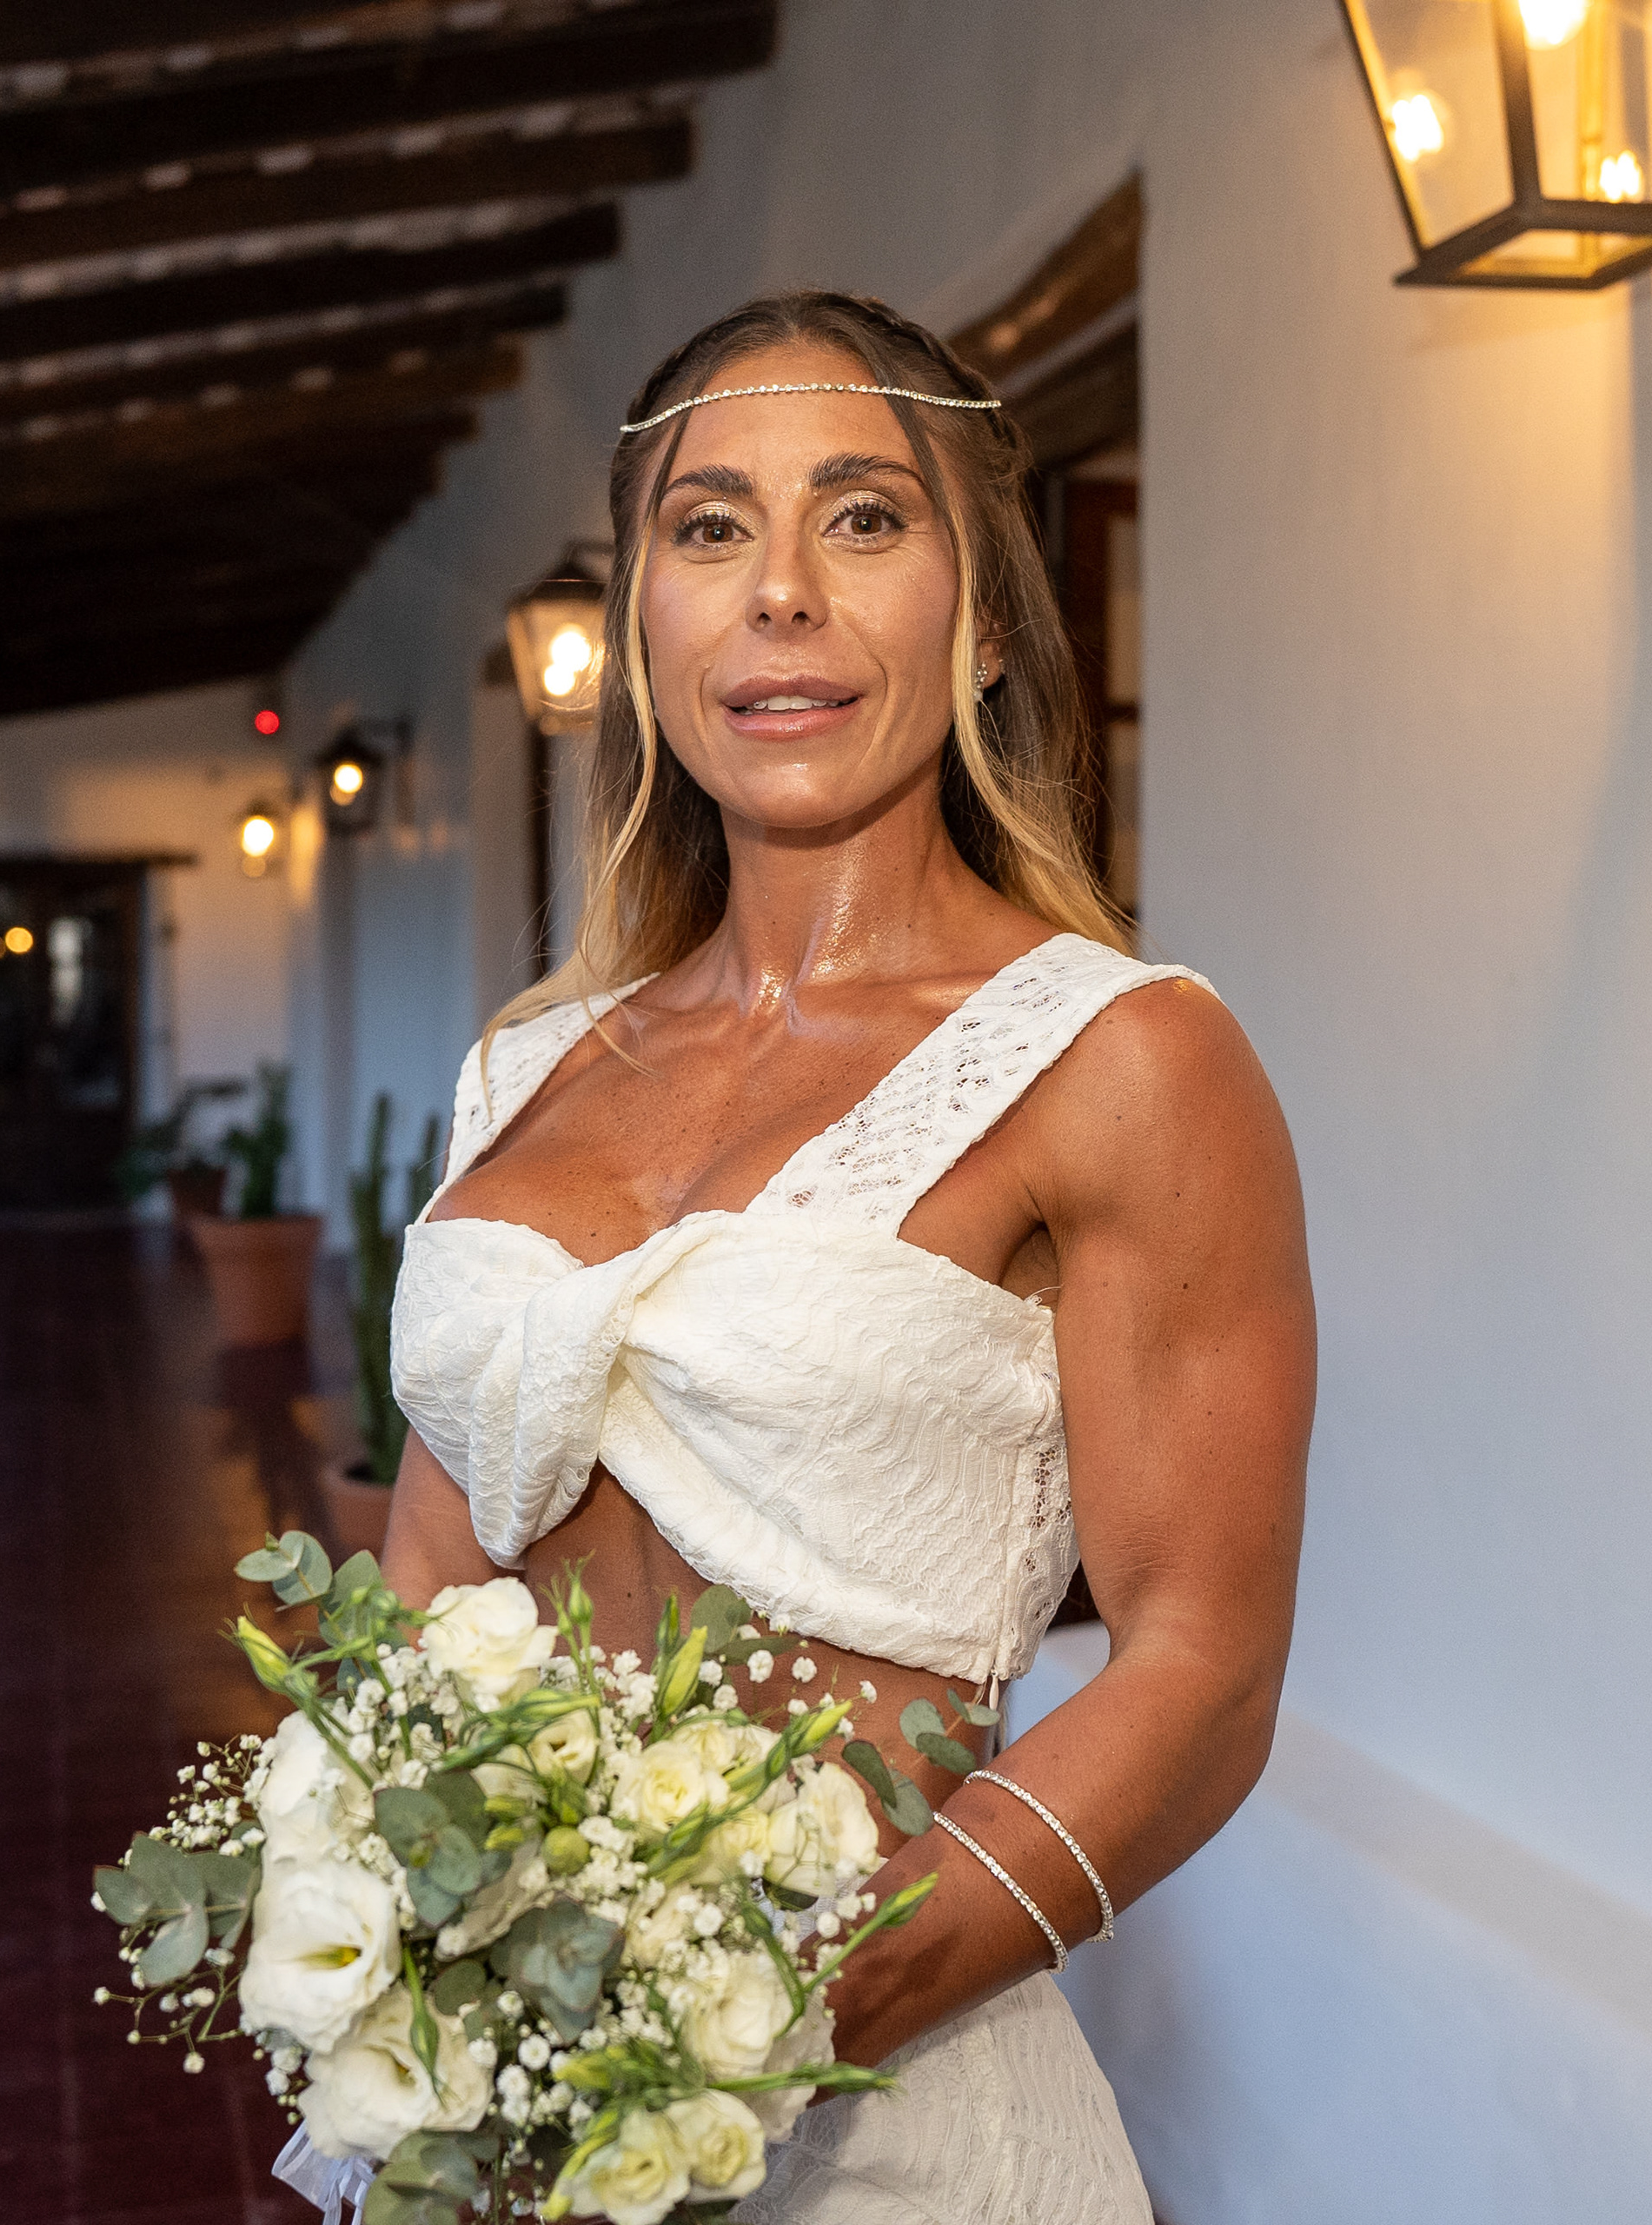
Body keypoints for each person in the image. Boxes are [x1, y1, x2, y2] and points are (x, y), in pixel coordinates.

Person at [380, 289, 1314, 2222]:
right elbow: (430, 1579)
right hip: (501, 2115)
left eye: (865, 518)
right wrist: (410, 1970)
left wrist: (765, 2034)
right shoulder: (521, 1069)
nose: (781, 591)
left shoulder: (1124, 1061)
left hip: (890, 2119)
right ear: (646, 625)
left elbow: (1202, 1671)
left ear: (987, 621)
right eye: (710, 526)